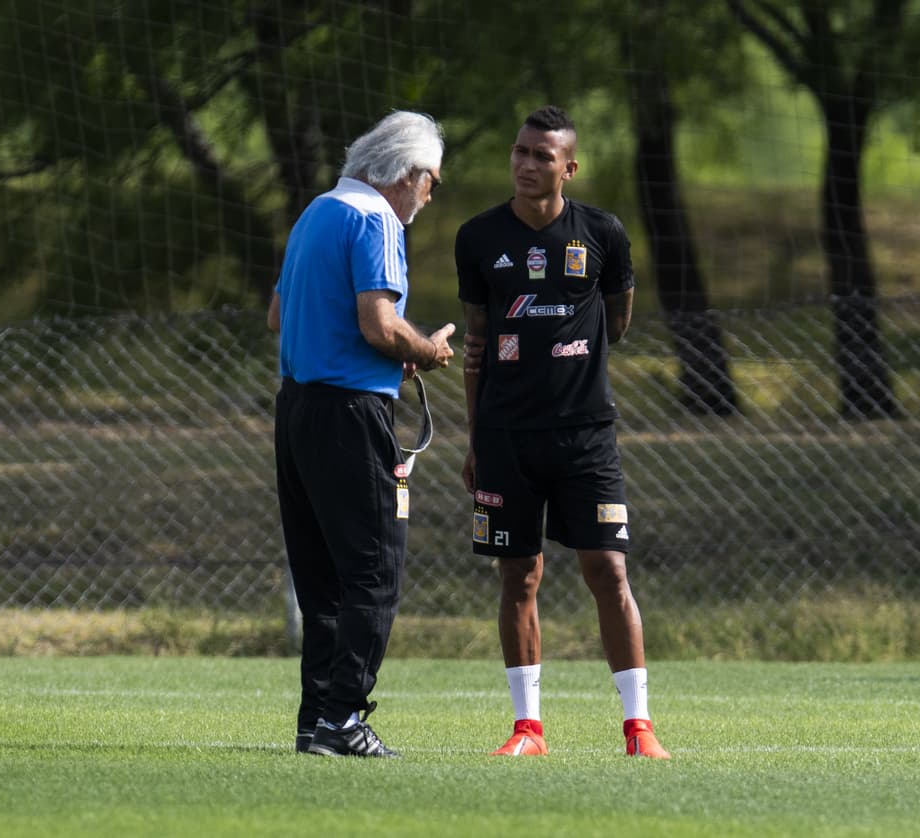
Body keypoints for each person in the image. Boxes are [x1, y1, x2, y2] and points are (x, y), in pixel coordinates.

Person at [455, 105, 670, 759]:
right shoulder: (477, 237)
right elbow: (476, 345)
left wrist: (572, 360)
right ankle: (528, 730)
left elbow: (618, 318)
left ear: (568, 168)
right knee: (518, 575)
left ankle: (639, 730)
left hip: (585, 436)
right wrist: (473, 438)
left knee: (607, 568)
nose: (526, 165)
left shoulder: (601, 233)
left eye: (541, 156)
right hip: (505, 437)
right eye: (519, 152)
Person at [268, 110, 454, 758]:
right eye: (431, 181)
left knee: (319, 577)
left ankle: (315, 720)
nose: (429, 196)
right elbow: (379, 323)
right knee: (374, 570)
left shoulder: (317, 211)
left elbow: (278, 313)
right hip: (350, 413)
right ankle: (345, 718)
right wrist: (423, 348)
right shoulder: (377, 219)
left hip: (295, 410)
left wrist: (374, 347)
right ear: (408, 174)